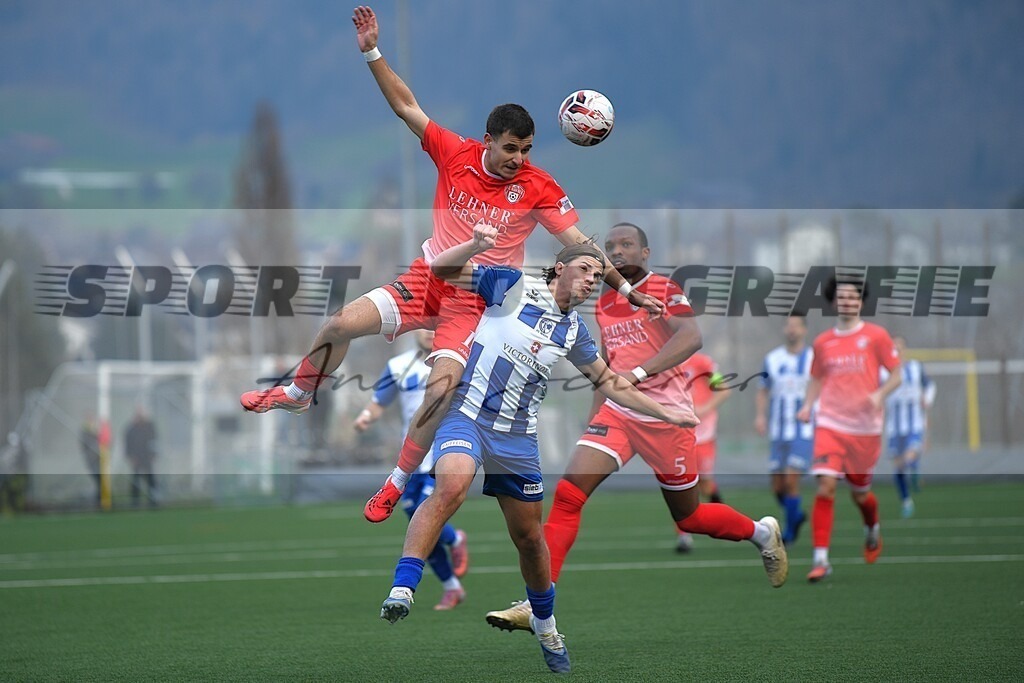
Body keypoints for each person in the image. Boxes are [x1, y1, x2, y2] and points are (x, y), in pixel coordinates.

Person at [239, 5, 665, 526]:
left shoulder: (538, 187)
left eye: (527, 150)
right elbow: (405, 106)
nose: (518, 159)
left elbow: (582, 244)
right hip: (427, 279)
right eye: (511, 149)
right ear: (489, 140)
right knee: (339, 323)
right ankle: (300, 392)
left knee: (440, 392)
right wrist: (372, 51)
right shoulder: (454, 153)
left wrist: (628, 289)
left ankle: (396, 483)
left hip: (474, 302)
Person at [379, 225, 693, 675]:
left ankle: (545, 623)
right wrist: (475, 245)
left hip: (517, 439)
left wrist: (668, 414)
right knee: (450, 487)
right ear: (560, 268)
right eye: (585, 270)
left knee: (529, 538)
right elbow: (444, 269)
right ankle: (403, 588)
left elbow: (611, 385)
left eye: (596, 276)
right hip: (466, 414)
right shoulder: (509, 285)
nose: (590, 281)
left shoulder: (573, 332)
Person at [484, 223, 788, 635]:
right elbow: (607, 367)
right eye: (610, 247)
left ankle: (761, 532)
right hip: (619, 415)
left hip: (667, 417)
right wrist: (597, 414)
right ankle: (537, 602)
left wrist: (641, 373)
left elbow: (692, 336)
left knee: (690, 518)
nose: (617, 251)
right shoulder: (606, 301)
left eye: (626, 245)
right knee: (569, 497)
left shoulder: (663, 289)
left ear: (645, 253)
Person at [354, 329, 470, 610]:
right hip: (414, 454)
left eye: (436, 326)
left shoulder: (460, 361)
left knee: (424, 512)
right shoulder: (398, 366)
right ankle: (452, 582)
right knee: (417, 522)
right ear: (414, 328)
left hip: (444, 450)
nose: (430, 332)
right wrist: (366, 417)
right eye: (425, 326)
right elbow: (379, 401)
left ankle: (454, 540)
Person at [796, 277, 902, 582]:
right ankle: (821, 560)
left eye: (852, 297)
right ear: (833, 302)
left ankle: (872, 527)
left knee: (860, 494)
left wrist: (880, 395)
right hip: (830, 422)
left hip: (865, 429)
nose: (847, 302)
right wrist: (807, 405)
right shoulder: (823, 341)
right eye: (841, 297)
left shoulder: (876, 336)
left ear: (861, 301)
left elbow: (897, 375)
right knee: (826, 485)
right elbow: (816, 378)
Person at [755, 316, 813, 544]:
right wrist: (760, 416)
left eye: (796, 326)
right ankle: (796, 515)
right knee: (777, 485)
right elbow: (762, 390)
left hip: (803, 431)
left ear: (804, 330)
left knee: (790, 480)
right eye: (789, 325)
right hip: (779, 431)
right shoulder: (773, 359)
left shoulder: (813, 359)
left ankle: (789, 532)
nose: (792, 330)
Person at [674, 350, 731, 551]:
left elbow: (723, 388)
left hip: (703, 433)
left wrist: (705, 408)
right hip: (678, 432)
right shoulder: (665, 363)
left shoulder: (701, 362)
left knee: (704, 484)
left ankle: (717, 503)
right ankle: (683, 536)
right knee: (680, 481)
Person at [882, 336, 936, 518]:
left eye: (899, 348)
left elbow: (930, 386)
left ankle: (913, 464)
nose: (897, 352)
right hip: (894, 428)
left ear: (904, 350)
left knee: (909, 455)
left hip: (914, 425)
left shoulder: (915, 368)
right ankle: (906, 501)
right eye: (893, 349)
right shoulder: (883, 372)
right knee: (898, 468)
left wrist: (926, 400)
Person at [124, 407, 158, 508]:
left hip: (147, 457)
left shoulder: (149, 427)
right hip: (137, 458)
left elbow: (154, 441)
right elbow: (127, 443)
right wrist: (130, 456)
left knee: (151, 480)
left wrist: (153, 454)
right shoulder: (131, 429)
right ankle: (135, 502)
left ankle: (154, 500)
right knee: (136, 480)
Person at [80, 414, 102, 507]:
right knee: (98, 479)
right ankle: (99, 499)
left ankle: (101, 499)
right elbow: (84, 445)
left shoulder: (97, 429)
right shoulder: (85, 432)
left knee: (101, 480)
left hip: (100, 459)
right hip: (92, 460)